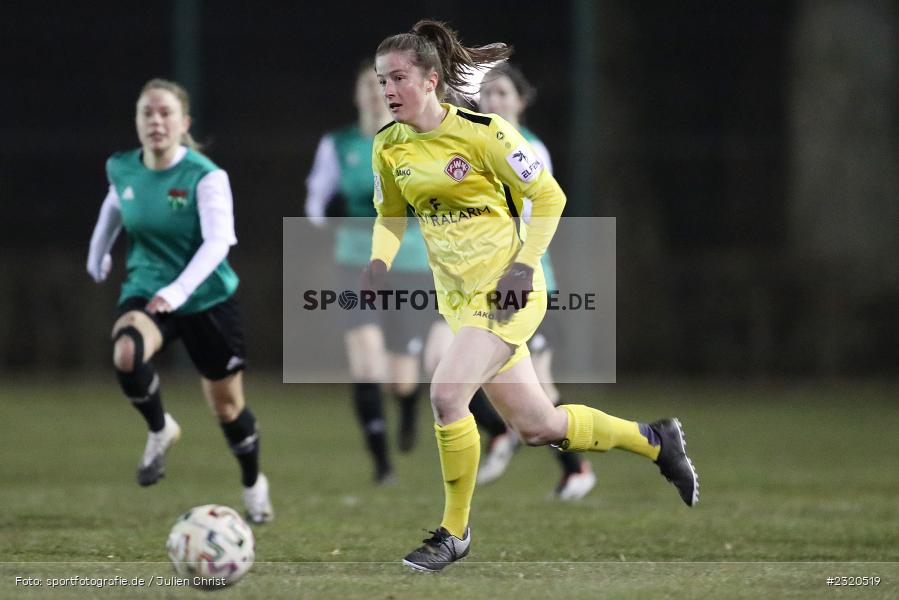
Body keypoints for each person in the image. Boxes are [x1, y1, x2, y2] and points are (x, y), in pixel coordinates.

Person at [367, 20, 699, 572]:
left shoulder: (484, 133)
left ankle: (454, 533)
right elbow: (390, 215)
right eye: (382, 80)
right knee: (538, 426)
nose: (388, 90)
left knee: (446, 394)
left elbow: (549, 196)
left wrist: (524, 266)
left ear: (430, 80)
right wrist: (379, 260)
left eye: (398, 78)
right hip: (458, 301)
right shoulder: (388, 145)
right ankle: (655, 441)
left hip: (507, 292)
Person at [86, 78, 273, 524]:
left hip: (207, 299)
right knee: (127, 352)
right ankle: (160, 428)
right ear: (137, 121)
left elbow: (218, 242)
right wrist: (97, 251)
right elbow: (115, 204)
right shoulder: (122, 167)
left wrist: (179, 291)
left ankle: (253, 484)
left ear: (183, 122)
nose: (156, 121)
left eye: (165, 113)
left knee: (227, 408)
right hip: (148, 289)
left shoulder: (205, 176)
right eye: (147, 113)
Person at [424, 62, 597, 500]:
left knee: (539, 388)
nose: (493, 101)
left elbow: (537, 208)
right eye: (487, 94)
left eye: (503, 93)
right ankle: (501, 433)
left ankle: (577, 467)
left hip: (520, 285)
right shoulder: (471, 142)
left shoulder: (529, 148)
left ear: (522, 101)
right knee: (440, 359)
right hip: (470, 287)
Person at [305, 62, 435, 483]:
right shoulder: (338, 144)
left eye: (385, 84)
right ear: (358, 94)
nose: (377, 93)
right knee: (365, 362)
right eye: (369, 85)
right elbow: (315, 203)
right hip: (356, 263)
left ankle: (409, 406)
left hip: (410, 264)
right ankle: (382, 465)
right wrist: (329, 212)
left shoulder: (417, 139)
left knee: (401, 379)